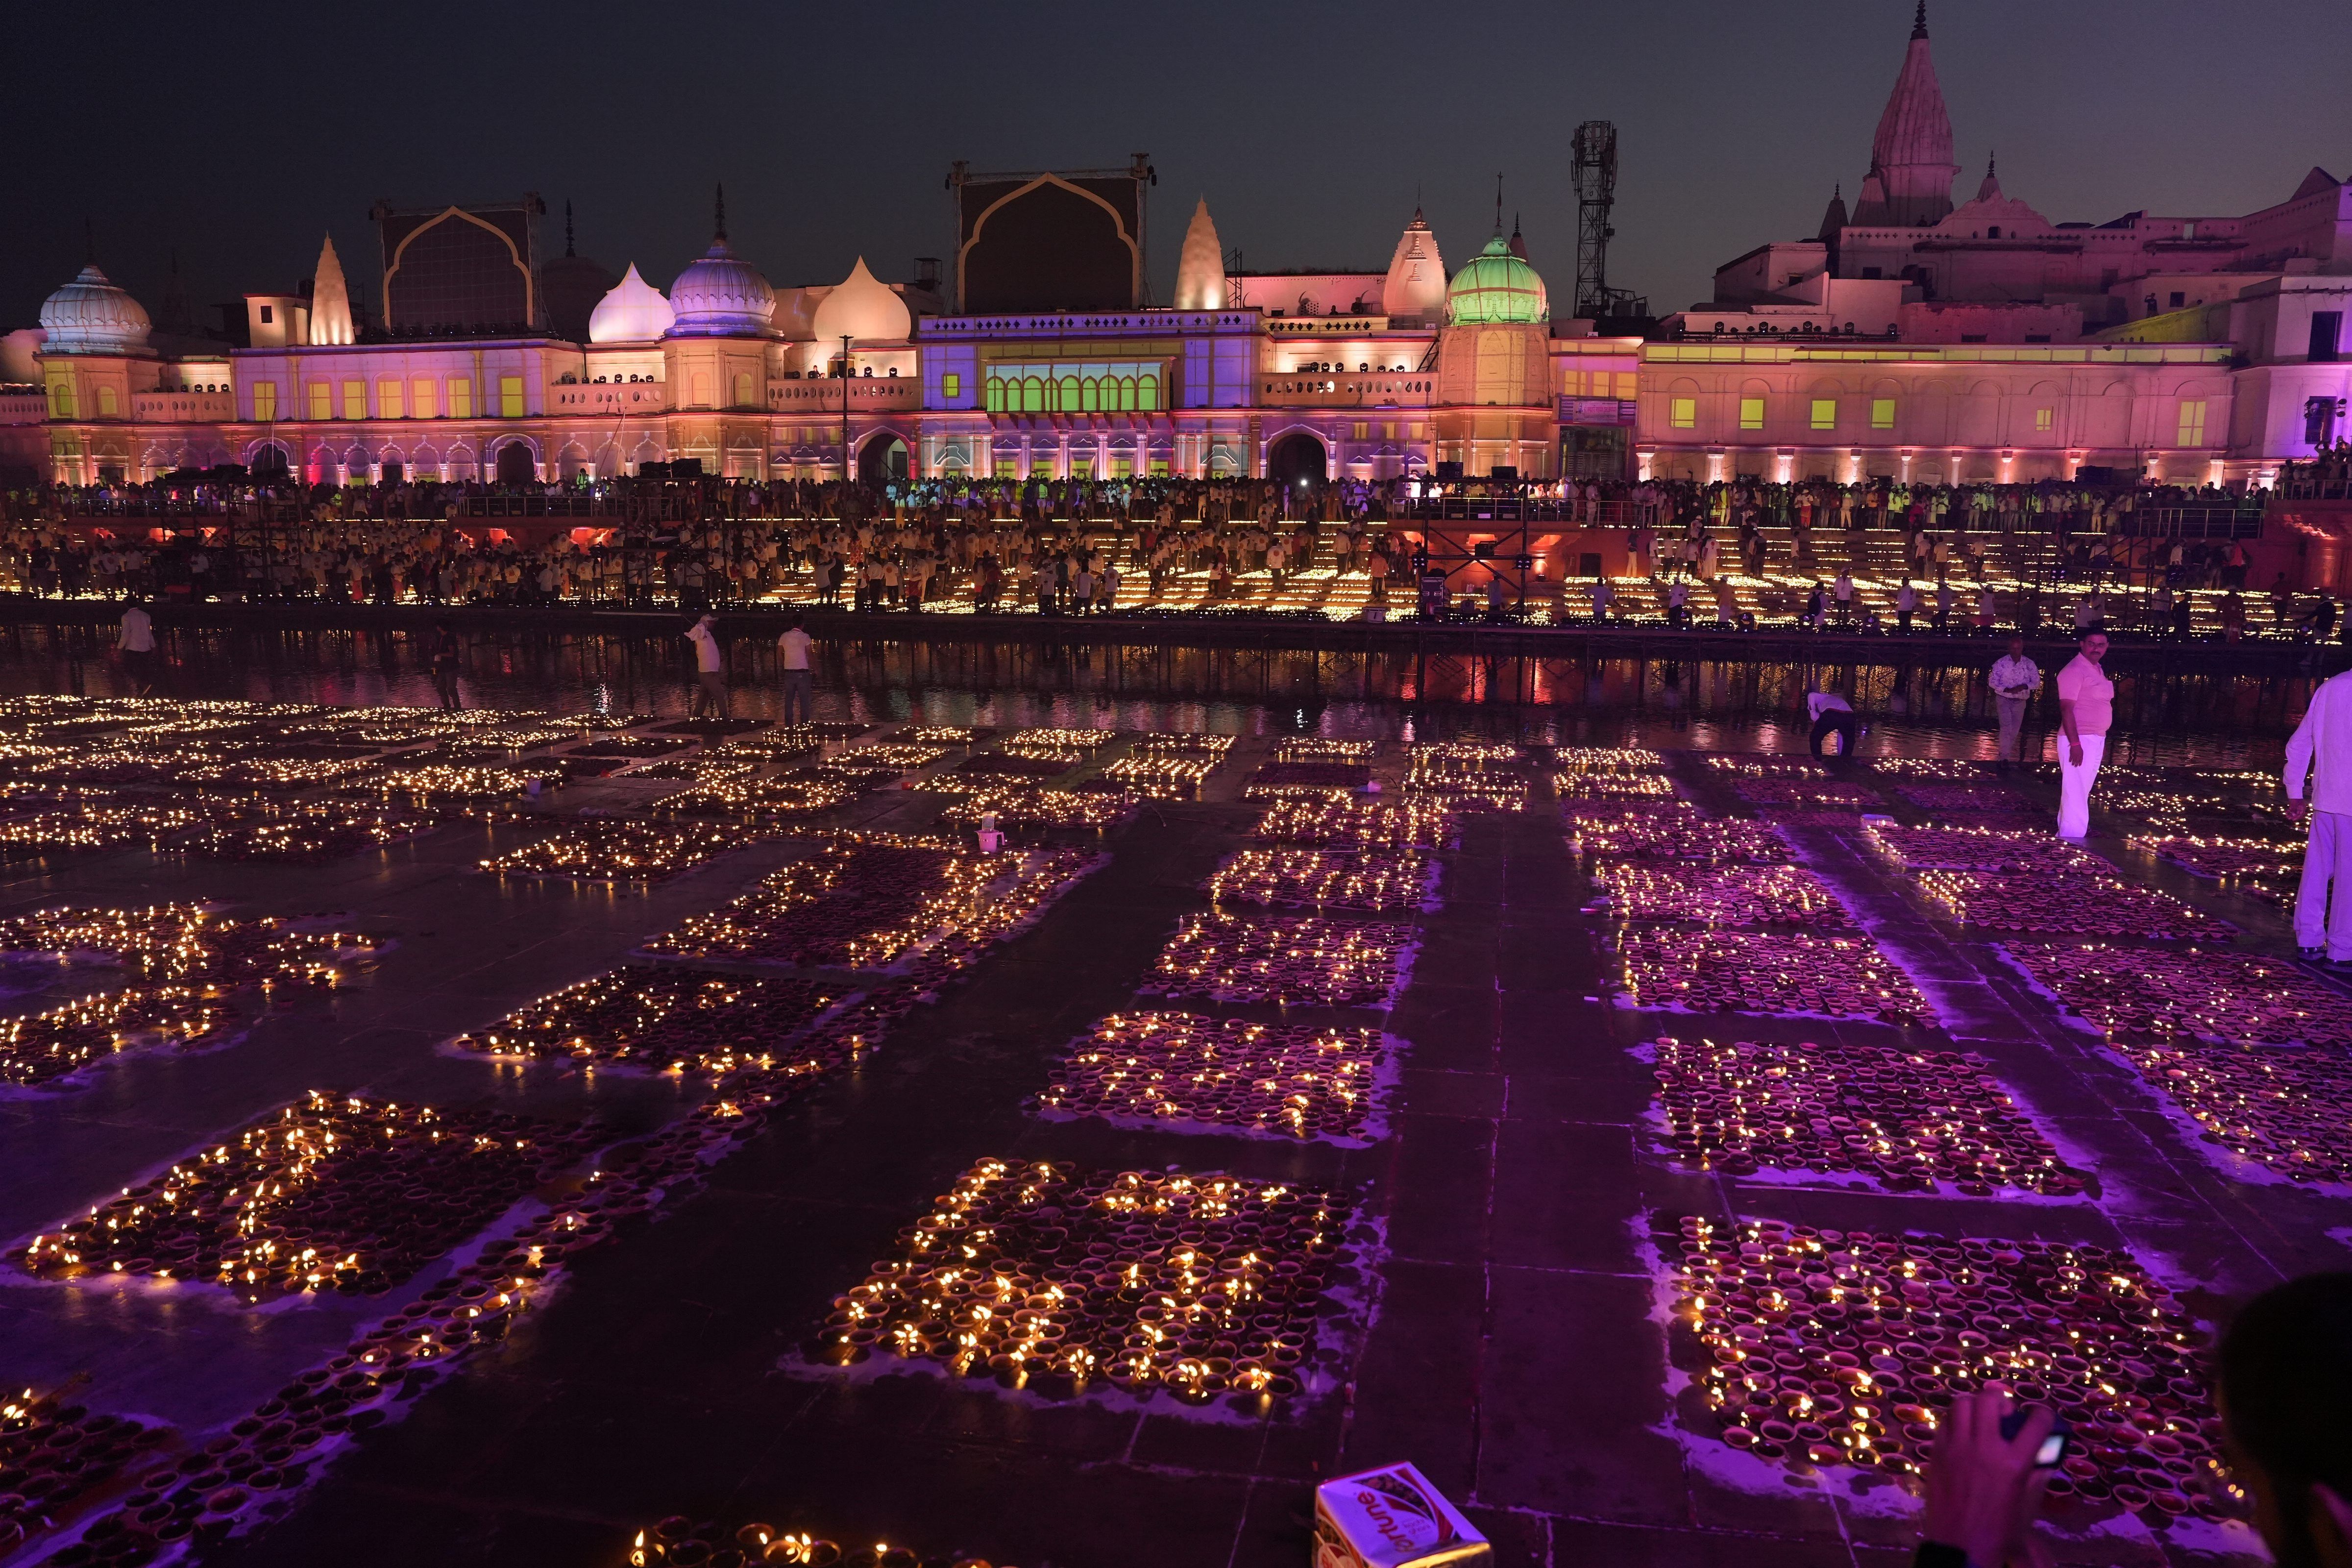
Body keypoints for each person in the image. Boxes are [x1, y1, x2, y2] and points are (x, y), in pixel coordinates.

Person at [2285, 664, 2352, 961]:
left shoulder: (2331, 687)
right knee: (2348, 879)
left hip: (2327, 797)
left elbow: (2300, 743)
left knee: (2317, 868)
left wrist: (2295, 792)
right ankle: (2342, 948)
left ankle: (2309, 936)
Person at [2053, 628, 2112, 839]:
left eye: (2101, 645)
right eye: (2091, 644)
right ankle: (2073, 838)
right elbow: (2066, 709)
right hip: (2079, 738)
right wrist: (2075, 744)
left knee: (2080, 790)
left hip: (2096, 737)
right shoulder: (2075, 670)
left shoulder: (2096, 669)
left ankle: (2067, 833)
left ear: (2107, 647)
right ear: (2082, 644)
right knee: (2076, 790)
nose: (2096, 648)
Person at [1986, 636, 2040, 771]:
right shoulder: (2001, 663)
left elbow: (2036, 683)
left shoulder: (2029, 664)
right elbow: (1992, 681)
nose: (2016, 651)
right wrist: (2005, 689)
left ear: (2022, 648)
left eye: (2018, 649)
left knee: (2014, 730)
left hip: (2020, 699)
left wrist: (2024, 687)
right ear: (2009, 648)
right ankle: (2004, 758)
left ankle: (2004, 755)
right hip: (2004, 698)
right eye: (2013, 649)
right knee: (2006, 727)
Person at [685, 612, 728, 721]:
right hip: (708, 671)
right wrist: (702, 626)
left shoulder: (707, 635)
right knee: (719, 694)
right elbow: (699, 629)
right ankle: (724, 717)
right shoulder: (701, 633)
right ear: (706, 623)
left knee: (704, 694)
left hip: (708, 670)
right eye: (711, 622)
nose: (714, 624)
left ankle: (697, 715)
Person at [776, 613, 814, 728]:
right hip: (802, 671)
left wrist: (784, 664)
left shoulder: (784, 636)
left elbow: (779, 652)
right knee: (804, 699)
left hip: (789, 671)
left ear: (792, 624)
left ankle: (788, 721)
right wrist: (815, 668)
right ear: (802, 625)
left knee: (789, 698)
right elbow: (810, 654)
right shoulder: (805, 637)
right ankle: (804, 722)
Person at [1807, 684, 1860, 759]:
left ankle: (1817, 759)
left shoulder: (1822, 698)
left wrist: (1813, 714)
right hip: (1849, 715)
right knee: (1848, 740)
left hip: (1831, 713)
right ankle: (1845, 760)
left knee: (1815, 737)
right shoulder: (1839, 701)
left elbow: (1811, 695)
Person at [116, 597, 154, 696]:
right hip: (146, 647)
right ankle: (142, 689)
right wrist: (153, 645)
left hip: (133, 647)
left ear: (126, 605)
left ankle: (142, 685)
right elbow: (149, 632)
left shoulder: (126, 617)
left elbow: (126, 634)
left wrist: (120, 647)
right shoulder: (146, 616)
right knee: (142, 668)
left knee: (128, 668)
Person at [428, 619, 463, 712]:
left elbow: (452, 654)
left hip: (451, 667)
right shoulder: (441, 637)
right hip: (442, 667)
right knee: (440, 687)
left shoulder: (449, 638)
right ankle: (446, 705)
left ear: (441, 627)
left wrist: (439, 653)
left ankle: (457, 708)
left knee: (451, 688)